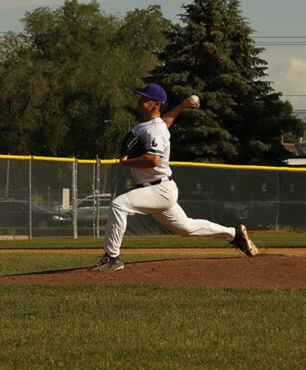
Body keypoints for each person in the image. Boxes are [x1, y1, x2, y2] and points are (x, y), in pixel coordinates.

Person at [94, 83, 257, 272]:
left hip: (159, 190)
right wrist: (182, 106)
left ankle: (112, 258)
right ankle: (234, 234)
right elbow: (166, 121)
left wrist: (125, 162)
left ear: (156, 103)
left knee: (118, 205)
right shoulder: (151, 126)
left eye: (144, 98)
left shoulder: (155, 129)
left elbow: (154, 160)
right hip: (157, 189)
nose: (139, 100)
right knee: (186, 228)